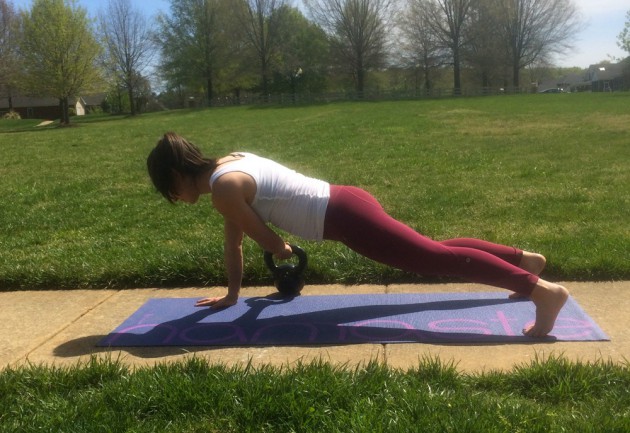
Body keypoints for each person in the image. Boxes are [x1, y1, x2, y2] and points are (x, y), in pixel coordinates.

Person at [147, 132, 569, 338]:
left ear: (174, 177)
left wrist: (281, 249)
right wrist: (234, 295)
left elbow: (266, 239)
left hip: (344, 218)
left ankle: (540, 291)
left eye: (168, 191)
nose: (173, 198)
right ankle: (524, 261)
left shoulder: (222, 188)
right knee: (434, 250)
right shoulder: (228, 166)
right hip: (345, 201)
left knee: (431, 259)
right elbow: (236, 239)